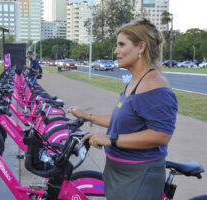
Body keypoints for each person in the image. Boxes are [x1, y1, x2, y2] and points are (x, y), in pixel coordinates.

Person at [68, 18, 178, 200]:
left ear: (141, 47)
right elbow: (122, 119)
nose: (115, 51)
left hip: (138, 175)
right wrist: (87, 116)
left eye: (121, 44)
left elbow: (161, 135)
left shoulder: (156, 86)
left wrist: (111, 139)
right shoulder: (134, 81)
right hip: (118, 171)